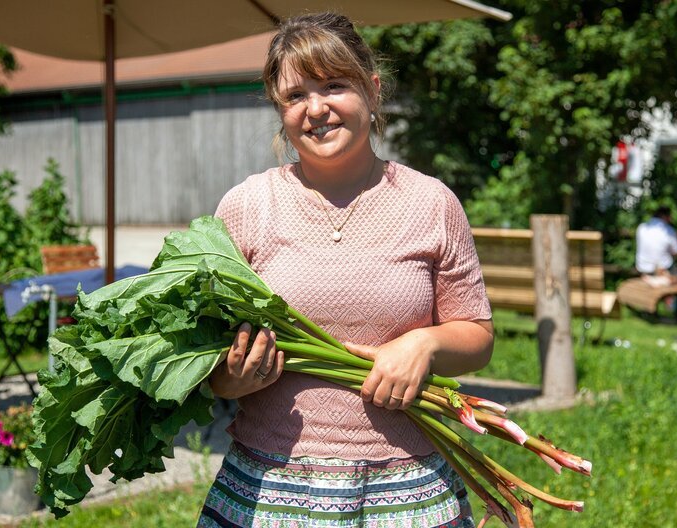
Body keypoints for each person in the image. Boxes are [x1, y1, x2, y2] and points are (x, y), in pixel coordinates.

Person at [198, 12, 494, 528]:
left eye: (334, 85)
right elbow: (208, 360)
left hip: (408, 489)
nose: (316, 109)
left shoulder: (431, 203)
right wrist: (230, 379)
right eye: (295, 96)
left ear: (373, 91)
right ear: (280, 109)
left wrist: (424, 345)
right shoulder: (246, 206)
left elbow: (479, 337)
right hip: (269, 489)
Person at [635, 206, 677, 283]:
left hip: (643, 270)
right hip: (662, 272)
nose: (670, 220)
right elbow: (676, 252)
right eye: (669, 217)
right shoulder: (668, 230)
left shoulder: (641, 227)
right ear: (664, 216)